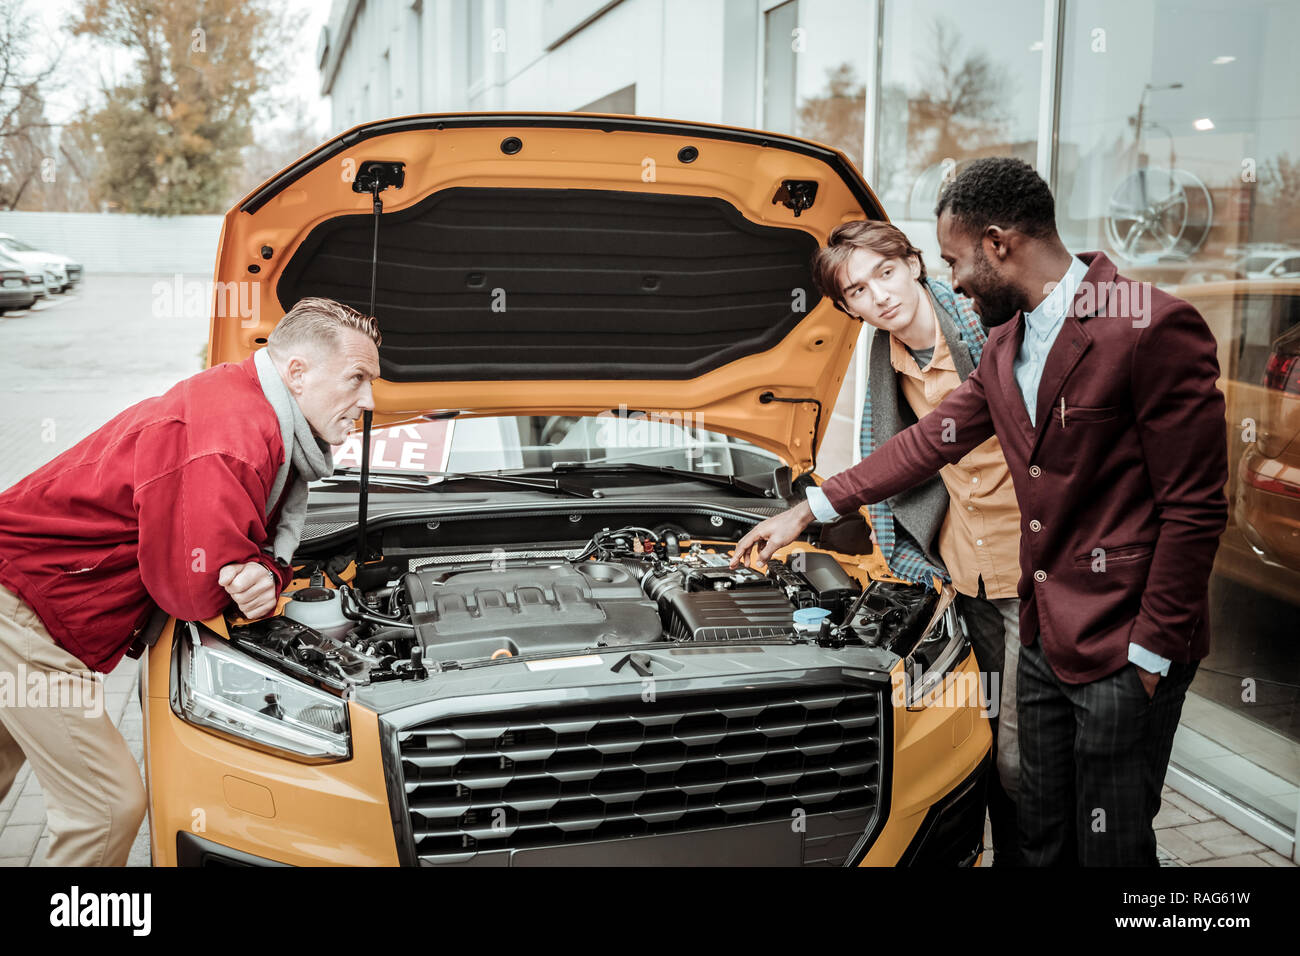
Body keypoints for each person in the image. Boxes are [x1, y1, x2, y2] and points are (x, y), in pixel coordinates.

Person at [732, 157, 1228, 866]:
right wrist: (808, 509)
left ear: (999, 244)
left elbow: (1196, 509)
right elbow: (923, 445)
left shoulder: (1149, 325)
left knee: (1113, 845)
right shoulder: (1007, 344)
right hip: (1044, 635)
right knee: (1042, 827)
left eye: (956, 261)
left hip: (1126, 643)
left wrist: (1150, 654)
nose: (954, 282)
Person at [0, 296, 380, 865]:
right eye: (358, 378)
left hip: (25, 590)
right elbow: (193, 592)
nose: (369, 400)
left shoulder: (245, 404)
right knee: (108, 807)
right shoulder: (230, 437)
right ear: (297, 373)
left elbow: (237, 553)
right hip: (23, 606)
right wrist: (264, 578)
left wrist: (264, 570)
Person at [807, 220, 1023, 865]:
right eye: (858, 292)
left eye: (886, 273)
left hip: (1033, 569)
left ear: (913, 263)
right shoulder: (885, 361)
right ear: (848, 309)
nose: (879, 296)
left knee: (1020, 756)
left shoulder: (993, 333)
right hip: (962, 574)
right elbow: (901, 462)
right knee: (981, 740)